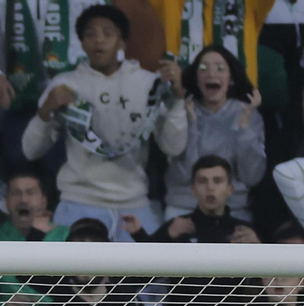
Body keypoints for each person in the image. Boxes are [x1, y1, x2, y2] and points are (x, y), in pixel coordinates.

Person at [20, 4, 188, 240]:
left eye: (108, 33)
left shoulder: (149, 84)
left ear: (122, 42)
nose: (98, 40)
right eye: (90, 34)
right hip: (78, 202)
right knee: (60, 265)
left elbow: (174, 147)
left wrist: (177, 99)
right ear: (81, 42)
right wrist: (46, 110)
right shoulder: (65, 84)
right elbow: (30, 150)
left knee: (155, 264)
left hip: (133, 204)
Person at [0, 0, 92, 160]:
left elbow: (111, 34)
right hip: (21, 103)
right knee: (22, 174)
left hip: (73, 106)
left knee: (69, 174)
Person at [164, 45, 266, 221]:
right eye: (203, 68)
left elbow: (251, 176)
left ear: (231, 78)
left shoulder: (248, 113)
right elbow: (182, 175)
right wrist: (192, 125)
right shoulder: (182, 110)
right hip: (183, 208)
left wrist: (244, 127)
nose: (211, 74)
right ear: (196, 79)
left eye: (220, 68)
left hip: (233, 210)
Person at [133, 155, 259, 243]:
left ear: (230, 189)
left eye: (217, 181)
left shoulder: (243, 232)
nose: (210, 187)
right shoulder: (177, 228)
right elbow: (144, 269)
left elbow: (264, 273)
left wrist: (258, 247)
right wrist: (166, 235)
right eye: (202, 181)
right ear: (193, 190)